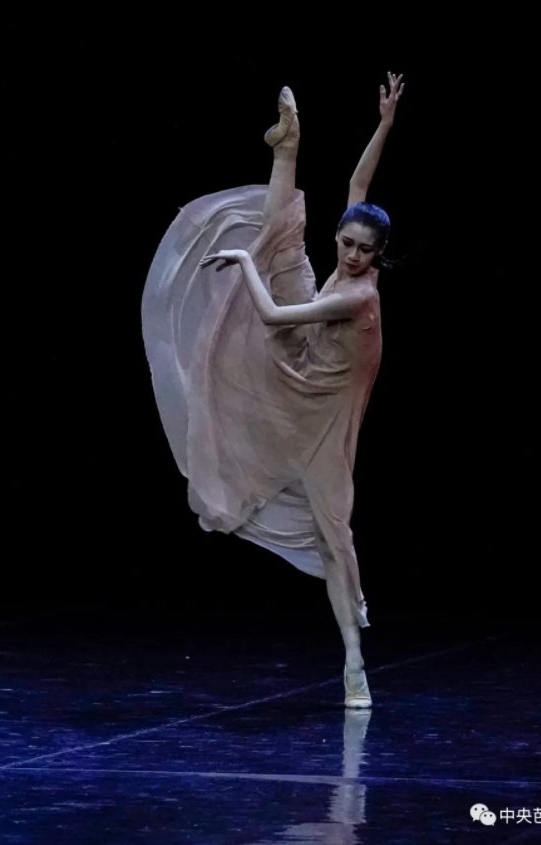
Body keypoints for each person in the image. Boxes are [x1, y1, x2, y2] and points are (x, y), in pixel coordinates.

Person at [142, 72, 404, 708]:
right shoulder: (345, 259)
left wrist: (242, 262)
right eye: (346, 243)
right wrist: (385, 124)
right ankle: (287, 147)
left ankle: (353, 662)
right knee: (286, 248)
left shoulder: (357, 296)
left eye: (364, 250)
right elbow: (359, 187)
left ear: (379, 256)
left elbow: (274, 316)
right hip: (301, 364)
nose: (351, 255)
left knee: (335, 541)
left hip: (322, 417)